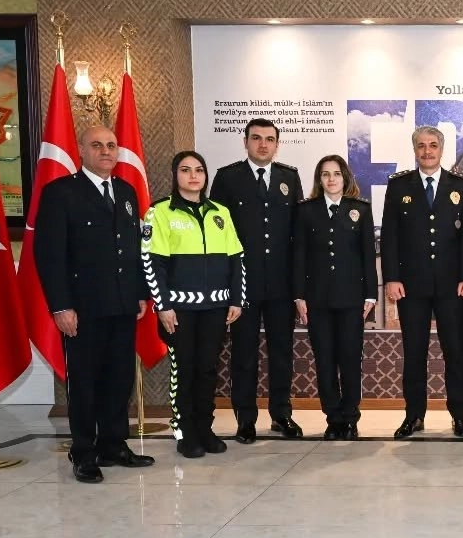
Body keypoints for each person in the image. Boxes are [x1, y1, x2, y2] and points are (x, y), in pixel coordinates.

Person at [33, 124, 155, 483]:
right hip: (83, 308)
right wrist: (60, 306)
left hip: (122, 304)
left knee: (119, 379)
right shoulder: (61, 193)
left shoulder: (126, 191)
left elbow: (134, 249)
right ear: (82, 151)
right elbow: (50, 254)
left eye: (112, 146)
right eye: (97, 145)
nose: (106, 152)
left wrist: (140, 292)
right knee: (85, 382)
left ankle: (113, 444)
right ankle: (84, 451)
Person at [141, 151, 244, 459]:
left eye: (199, 169)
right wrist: (162, 305)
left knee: (208, 370)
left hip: (216, 308)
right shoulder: (159, 212)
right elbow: (152, 262)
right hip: (179, 310)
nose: (193, 175)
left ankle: (204, 429)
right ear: (176, 175)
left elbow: (236, 259)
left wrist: (237, 299)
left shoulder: (220, 212)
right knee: (184, 370)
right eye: (185, 170)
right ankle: (184, 431)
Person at [381, 126, 463, 438]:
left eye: (433, 145)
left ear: (441, 149)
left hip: (452, 286)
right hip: (411, 286)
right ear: (415, 149)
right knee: (414, 353)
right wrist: (391, 278)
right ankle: (414, 416)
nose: (427, 151)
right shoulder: (399, 186)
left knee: (454, 353)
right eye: (421, 146)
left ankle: (459, 416)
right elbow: (391, 236)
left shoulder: (460, 186)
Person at [209, 118, 303, 442]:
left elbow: (297, 235)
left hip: (280, 284)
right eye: (256, 138)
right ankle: (245, 419)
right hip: (243, 285)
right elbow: (218, 233)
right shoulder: (227, 178)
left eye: (269, 139)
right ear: (245, 141)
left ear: (277, 144)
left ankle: (281, 415)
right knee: (243, 354)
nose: (263, 144)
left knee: (282, 353)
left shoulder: (289, 177)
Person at [294, 156, 376, 441]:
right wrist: (299, 296)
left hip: (352, 299)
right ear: (319, 179)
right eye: (325, 174)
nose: (331, 179)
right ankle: (333, 418)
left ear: (345, 178)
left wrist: (371, 295)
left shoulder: (360, 209)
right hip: (317, 300)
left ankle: (350, 418)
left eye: (336, 174)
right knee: (325, 360)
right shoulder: (306, 211)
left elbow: (368, 255)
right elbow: (299, 255)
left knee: (350, 359)